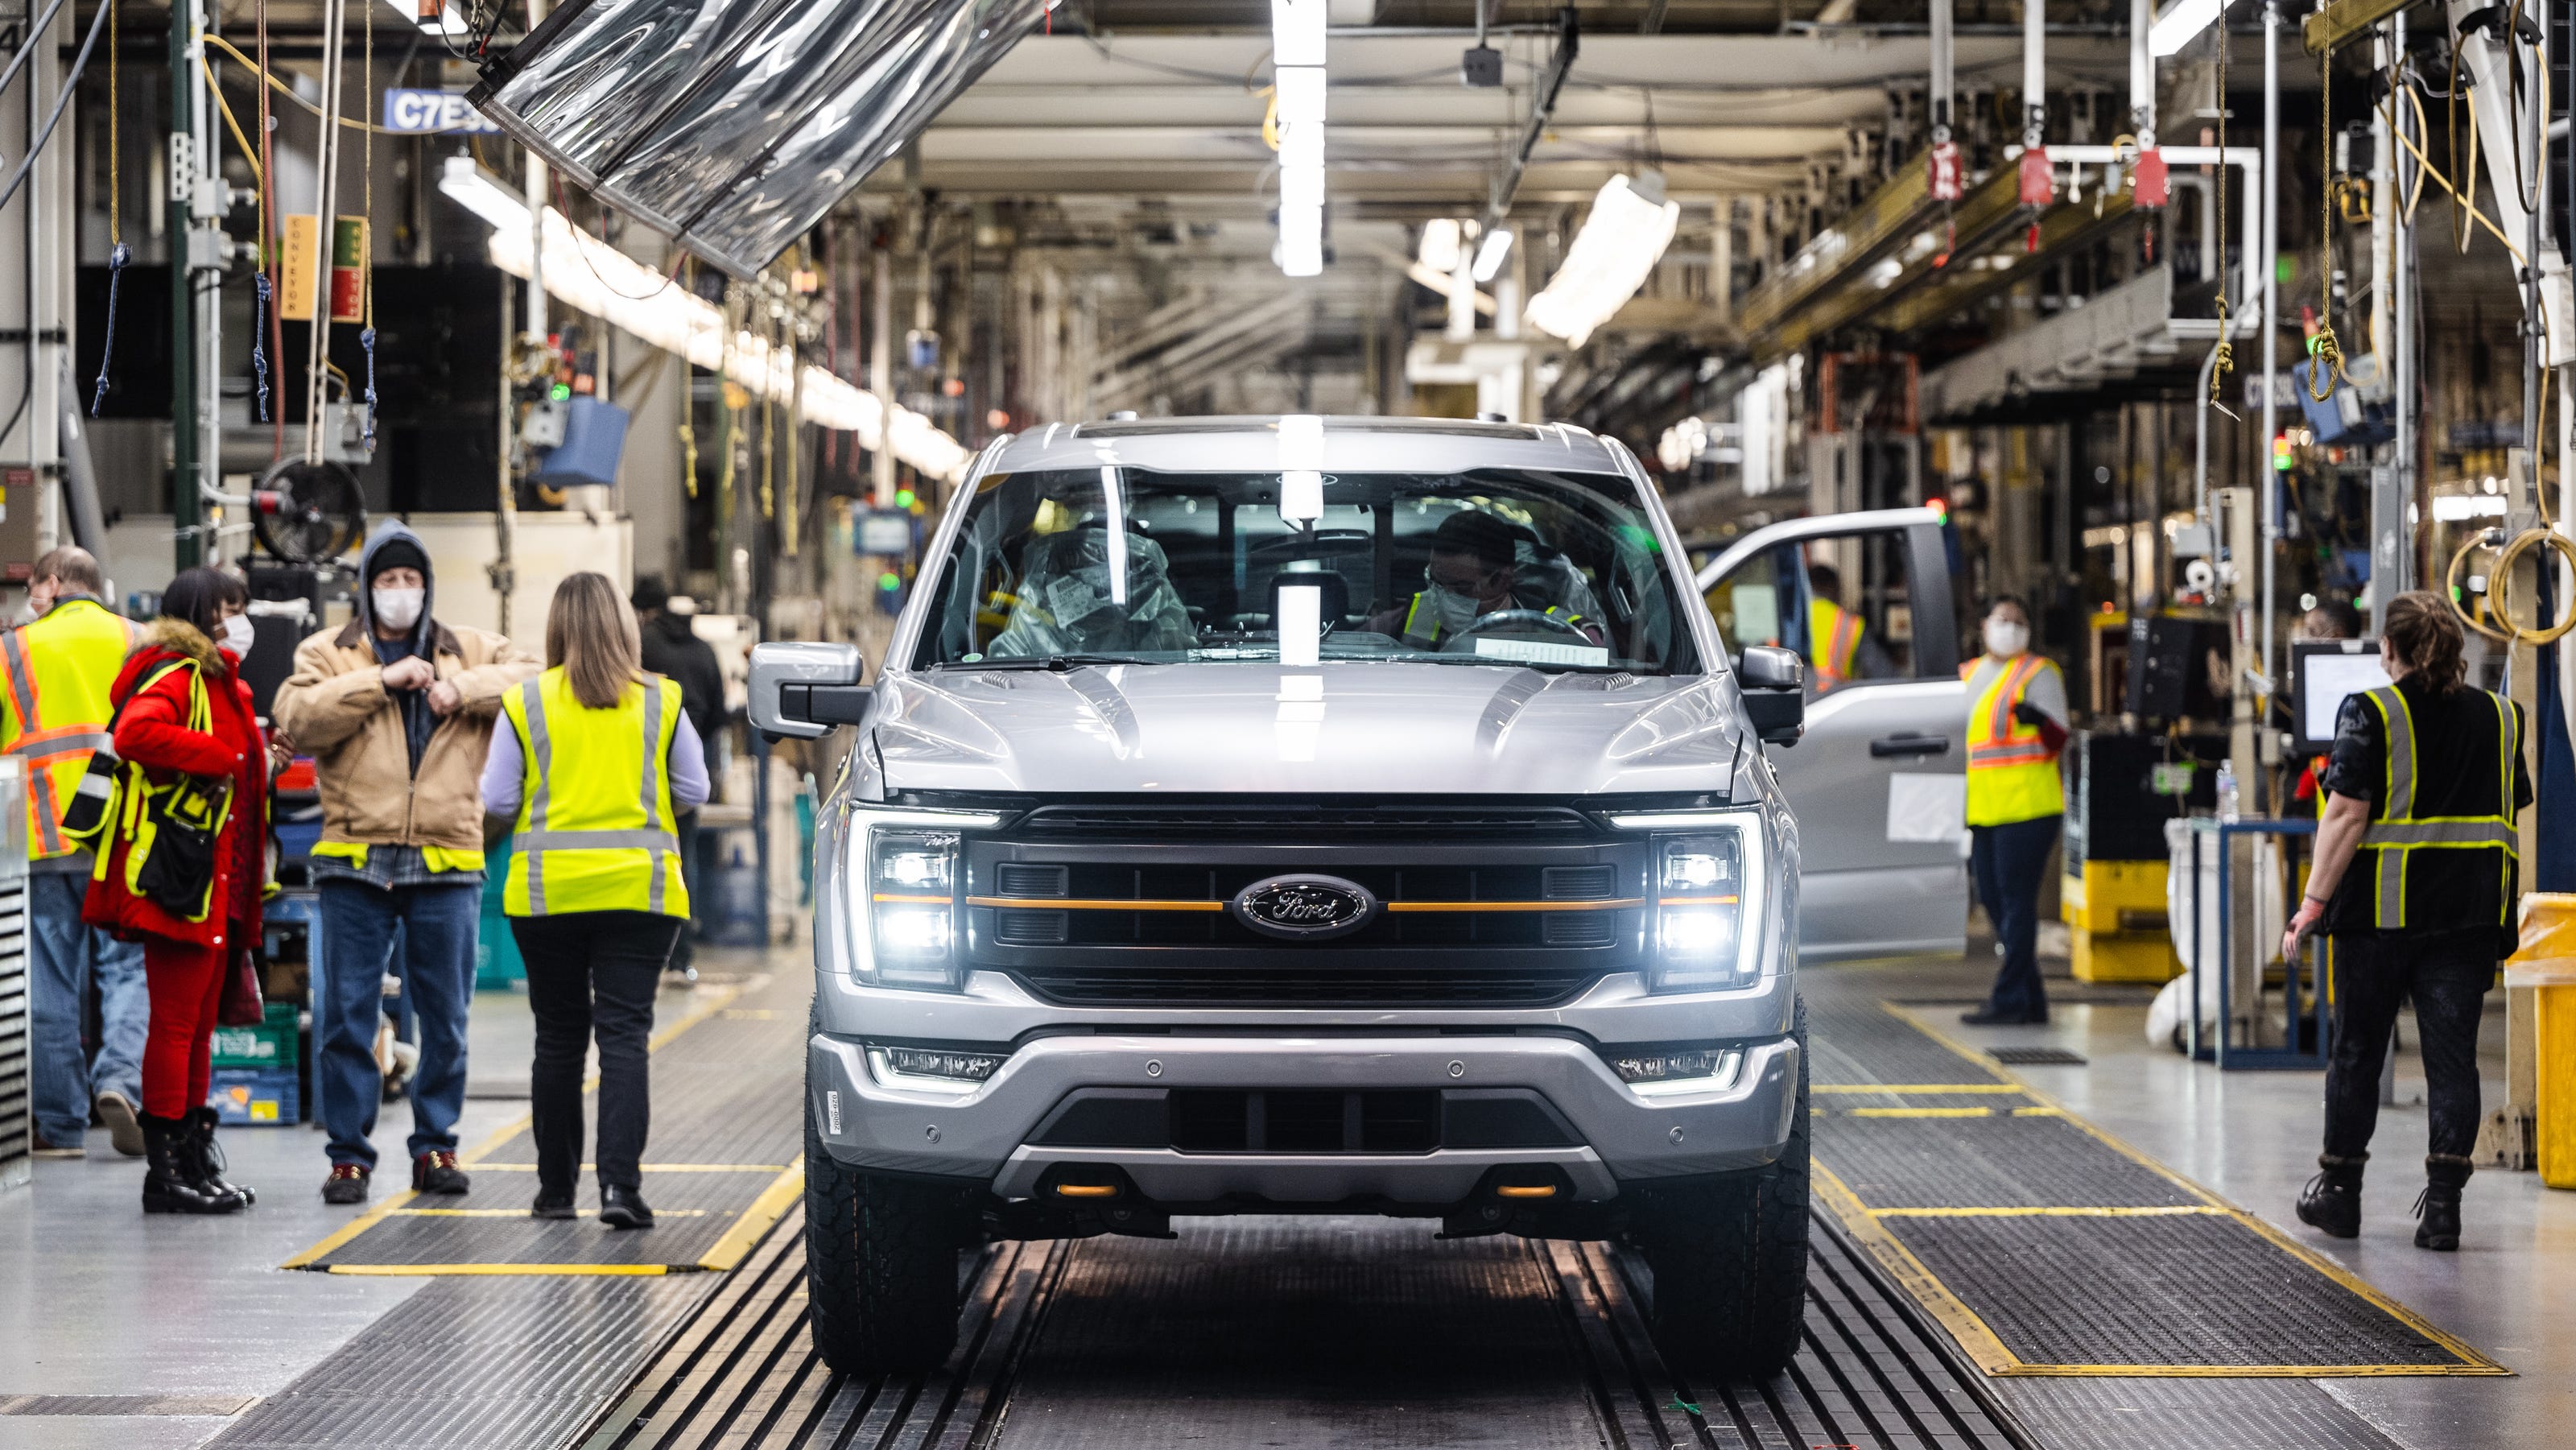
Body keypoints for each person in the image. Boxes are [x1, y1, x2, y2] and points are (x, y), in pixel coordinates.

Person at [273, 524, 540, 1205]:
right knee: (347, 1017)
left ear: (428, 586)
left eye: (410, 580)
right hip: (355, 863)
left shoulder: (469, 648)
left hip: (447, 859)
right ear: (367, 588)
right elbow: (297, 716)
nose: (400, 593)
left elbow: (535, 678)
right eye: (387, 582)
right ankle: (348, 1156)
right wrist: (378, 681)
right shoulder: (327, 652)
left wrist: (463, 688)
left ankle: (437, 1147)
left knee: (447, 1016)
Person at [2283, 592, 2529, 1251]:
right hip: (2468, 923)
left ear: (2388, 649)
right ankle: (2443, 1210)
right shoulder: (2505, 718)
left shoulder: (2372, 711)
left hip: (2378, 921)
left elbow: (2344, 817)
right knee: (2453, 1065)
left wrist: (2310, 904)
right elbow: (2508, 811)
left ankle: (2340, 1194)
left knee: (2359, 1052)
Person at [484, 573, 708, 1228]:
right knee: (623, 1038)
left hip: (547, 896)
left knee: (557, 1039)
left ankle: (555, 1193)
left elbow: (497, 799)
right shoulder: (662, 701)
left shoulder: (525, 703)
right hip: (640, 894)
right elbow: (694, 787)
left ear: (555, 629)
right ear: (624, 627)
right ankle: (620, 1189)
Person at [85, 568, 283, 1212]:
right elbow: (138, 733)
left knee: (198, 1026)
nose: (240, 619)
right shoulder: (179, 674)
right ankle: (165, 1170)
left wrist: (258, 760)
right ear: (199, 612)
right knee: (176, 1024)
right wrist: (226, 758)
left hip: (218, 879)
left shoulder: (225, 683)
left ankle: (192, 1158)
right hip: (181, 879)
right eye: (228, 607)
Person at [13, 548, 149, 1158]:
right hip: (123, 836)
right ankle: (120, 1081)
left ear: (55, 583)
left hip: (44, 834)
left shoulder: (14, 647)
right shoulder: (142, 641)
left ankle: (61, 1126)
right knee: (126, 971)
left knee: (49, 979)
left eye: (35, 585)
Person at [1960, 596, 2068, 1026]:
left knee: (2016, 901)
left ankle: (2008, 999)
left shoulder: (2038, 673)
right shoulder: (1967, 674)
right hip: (1984, 809)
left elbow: (2060, 738)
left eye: (2019, 621)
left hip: (2029, 807)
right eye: (2003, 620)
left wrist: (2038, 720)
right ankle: (2031, 998)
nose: (2010, 627)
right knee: (1990, 898)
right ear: (1985, 625)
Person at [633, 576, 724, 981]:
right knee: (682, 857)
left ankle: (644, 951)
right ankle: (681, 954)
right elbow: (721, 711)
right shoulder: (704, 649)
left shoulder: (641, 643)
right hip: (690, 763)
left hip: (641, 764)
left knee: (640, 854)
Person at [1368, 509, 1602, 647]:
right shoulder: (1409, 615)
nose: (1442, 597)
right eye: (1436, 582)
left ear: (1502, 580)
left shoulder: (1570, 633)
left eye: (1460, 588)